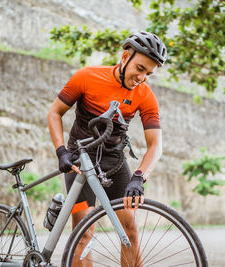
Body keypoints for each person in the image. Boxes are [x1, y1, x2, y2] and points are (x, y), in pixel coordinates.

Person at [47, 31, 167, 266]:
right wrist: (61, 150)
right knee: (84, 233)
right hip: (79, 161)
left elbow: (156, 145)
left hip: (114, 162)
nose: (142, 77)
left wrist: (139, 177)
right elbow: (54, 113)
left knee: (130, 230)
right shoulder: (87, 77)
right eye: (140, 68)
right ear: (125, 57)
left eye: (149, 73)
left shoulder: (144, 94)